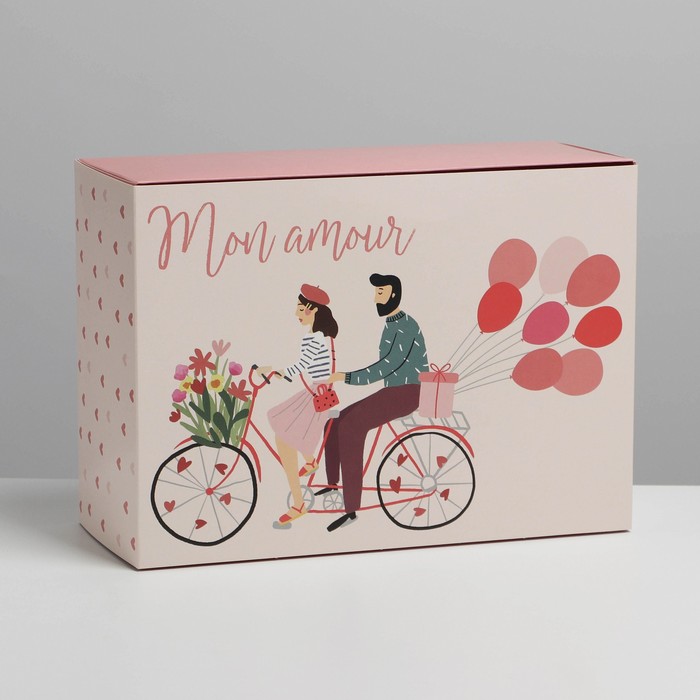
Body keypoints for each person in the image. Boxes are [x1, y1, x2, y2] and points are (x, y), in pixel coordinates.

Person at [320, 273, 429, 531]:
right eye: (376, 292)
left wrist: (346, 376)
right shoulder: (392, 324)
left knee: (351, 428)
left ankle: (351, 509)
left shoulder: (405, 326)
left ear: (394, 294)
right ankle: (333, 484)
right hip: (393, 391)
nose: (375, 298)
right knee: (334, 422)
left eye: (380, 292)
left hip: (408, 392)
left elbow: (387, 366)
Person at [259, 284, 339, 530]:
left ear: (313, 310)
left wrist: (275, 371)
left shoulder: (313, 338)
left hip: (316, 396)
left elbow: (301, 365)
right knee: (284, 425)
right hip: (318, 393)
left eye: (301, 308)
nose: (297, 313)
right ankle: (311, 461)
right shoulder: (321, 337)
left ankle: (298, 503)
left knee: (284, 439)